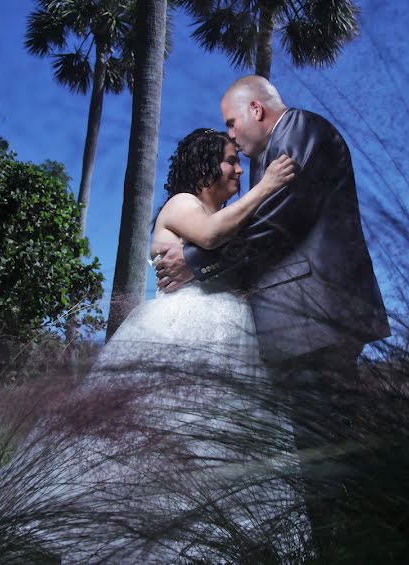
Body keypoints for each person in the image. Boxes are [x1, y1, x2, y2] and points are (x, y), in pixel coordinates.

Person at [152, 76, 391, 557]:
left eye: (232, 123)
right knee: (312, 457)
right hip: (295, 329)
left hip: (312, 322)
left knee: (324, 459)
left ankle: (342, 550)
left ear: (257, 110)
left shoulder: (300, 131)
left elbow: (278, 217)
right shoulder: (252, 169)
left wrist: (193, 264)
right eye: (225, 143)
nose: (233, 138)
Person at [55, 128, 308, 563]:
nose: (239, 169)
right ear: (205, 167)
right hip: (183, 331)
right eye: (231, 160)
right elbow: (209, 236)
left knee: (223, 440)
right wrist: (268, 186)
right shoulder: (181, 204)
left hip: (232, 336)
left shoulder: (231, 217)